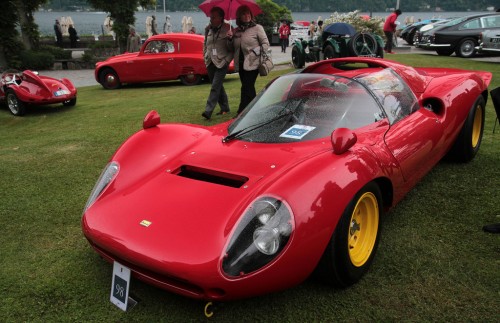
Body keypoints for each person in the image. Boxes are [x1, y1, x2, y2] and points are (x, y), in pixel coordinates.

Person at [227, 5, 270, 115]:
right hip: (241, 64)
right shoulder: (236, 31)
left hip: (253, 63)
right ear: (239, 17)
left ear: (251, 15)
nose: (246, 16)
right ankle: (255, 110)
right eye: (243, 14)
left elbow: (266, 44)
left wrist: (255, 52)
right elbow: (231, 48)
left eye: (248, 14)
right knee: (248, 88)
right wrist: (230, 38)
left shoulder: (257, 28)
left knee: (246, 86)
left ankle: (241, 112)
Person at [201, 7, 234, 120]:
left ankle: (208, 111)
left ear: (220, 17)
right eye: (211, 16)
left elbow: (232, 49)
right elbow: (205, 43)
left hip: (221, 62)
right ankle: (225, 108)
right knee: (218, 85)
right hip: (210, 61)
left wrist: (226, 61)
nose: (211, 18)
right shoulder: (208, 29)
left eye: (213, 17)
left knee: (215, 86)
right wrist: (205, 55)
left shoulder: (228, 29)